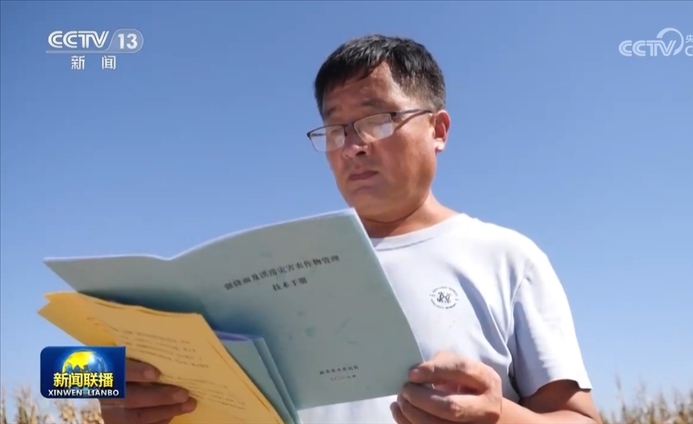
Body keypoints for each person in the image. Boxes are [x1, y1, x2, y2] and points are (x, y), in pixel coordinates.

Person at [100, 34, 602, 424]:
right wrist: (116, 402)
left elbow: (580, 418)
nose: (352, 146)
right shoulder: (275, 270)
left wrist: (500, 416)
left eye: (377, 120)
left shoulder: (507, 256)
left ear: (438, 130)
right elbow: (68, 371)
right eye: (335, 129)